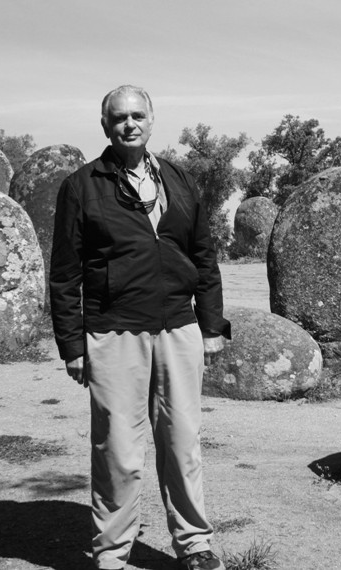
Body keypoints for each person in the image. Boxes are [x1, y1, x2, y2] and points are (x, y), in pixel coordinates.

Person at [50, 84, 231, 570]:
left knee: (183, 443)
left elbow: (203, 255)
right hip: (113, 332)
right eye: (118, 117)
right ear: (105, 125)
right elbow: (65, 273)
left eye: (137, 115)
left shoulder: (178, 179)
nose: (129, 123)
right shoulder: (82, 185)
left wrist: (211, 324)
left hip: (178, 326)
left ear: (151, 120)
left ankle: (194, 544)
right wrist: (72, 344)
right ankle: (111, 553)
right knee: (118, 452)